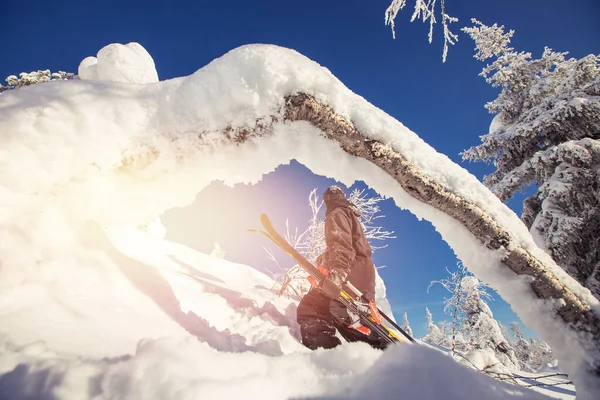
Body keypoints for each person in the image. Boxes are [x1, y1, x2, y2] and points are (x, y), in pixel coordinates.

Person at [296, 185, 388, 350]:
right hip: (362, 279)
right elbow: (347, 247)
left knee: (312, 307)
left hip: (347, 277)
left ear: (329, 199)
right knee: (354, 323)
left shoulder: (337, 213)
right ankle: (383, 354)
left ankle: (328, 360)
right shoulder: (348, 214)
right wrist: (323, 261)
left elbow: (342, 246)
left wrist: (337, 276)